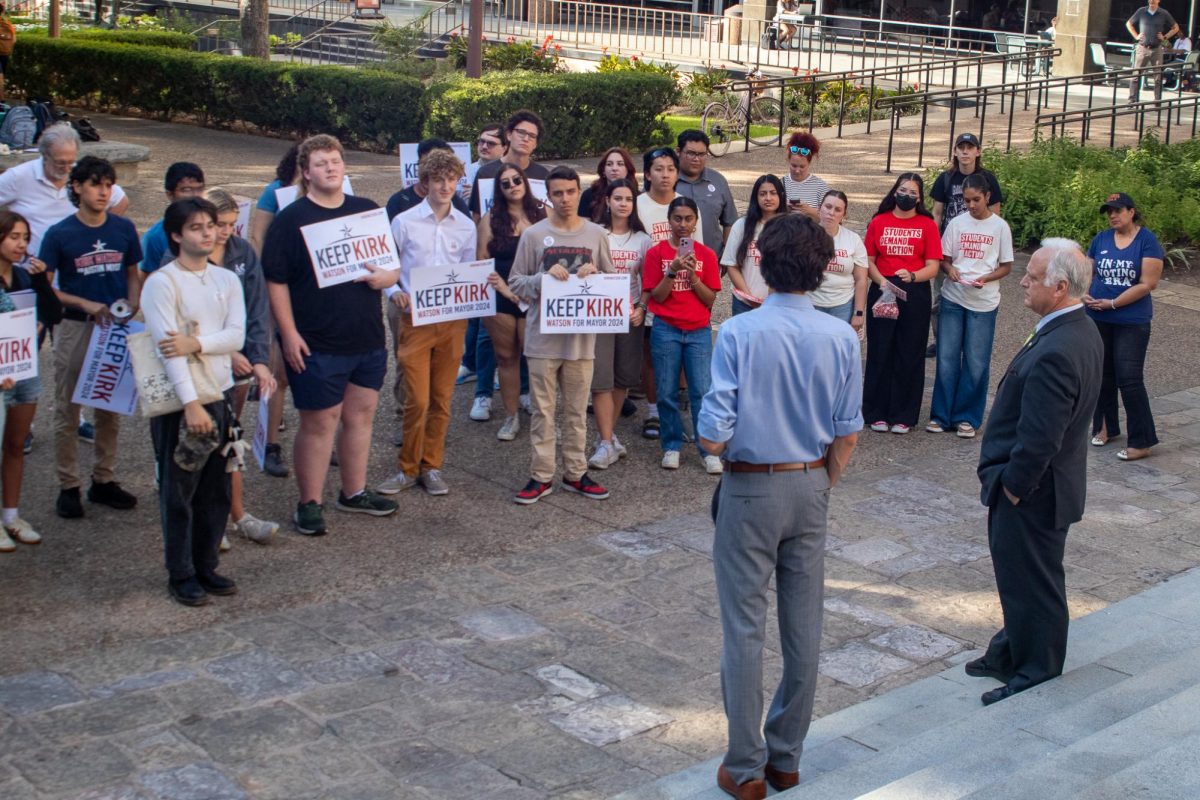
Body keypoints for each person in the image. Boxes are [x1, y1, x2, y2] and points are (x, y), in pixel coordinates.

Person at [698, 213, 862, 799]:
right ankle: (786, 757)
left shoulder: (739, 333)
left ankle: (745, 766)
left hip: (750, 485)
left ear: (761, 260)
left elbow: (714, 432)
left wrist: (712, 435)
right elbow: (848, 430)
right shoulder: (842, 337)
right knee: (804, 627)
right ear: (823, 269)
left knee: (744, 629)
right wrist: (824, 481)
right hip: (811, 482)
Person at [971, 239, 1102, 706]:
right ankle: (1009, 651)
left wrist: (1014, 488)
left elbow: (1042, 437)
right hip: (1040, 487)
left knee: (1036, 583)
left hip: (1035, 492)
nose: (1022, 281)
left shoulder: (1059, 348)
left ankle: (1037, 667)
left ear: (1061, 287)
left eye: (1033, 277)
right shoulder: (1072, 328)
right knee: (1018, 576)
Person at [262, 134, 399, 535]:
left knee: (360, 417)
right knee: (319, 423)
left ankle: (353, 492)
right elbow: (275, 280)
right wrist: (287, 333)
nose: (331, 168)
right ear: (306, 172)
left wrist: (386, 277)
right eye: (321, 163)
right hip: (317, 341)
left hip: (367, 338)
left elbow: (391, 267)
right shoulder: (292, 219)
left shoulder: (366, 211)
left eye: (336, 160)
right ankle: (309, 502)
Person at [143, 198, 246, 607]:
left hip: (219, 392)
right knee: (179, 489)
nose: (208, 233)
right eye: (197, 227)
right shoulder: (162, 283)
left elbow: (236, 335)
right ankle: (180, 572)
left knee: (215, 488)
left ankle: (206, 565)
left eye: (211, 226)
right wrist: (190, 403)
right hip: (182, 402)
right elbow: (169, 349)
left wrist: (198, 342)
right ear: (176, 235)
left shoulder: (226, 280)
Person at [40, 156, 142, 519]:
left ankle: (104, 479)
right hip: (76, 326)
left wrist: (133, 301)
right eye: (96, 184)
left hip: (113, 328)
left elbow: (133, 271)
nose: (104, 191)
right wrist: (84, 302)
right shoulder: (60, 234)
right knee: (68, 409)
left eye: (108, 184)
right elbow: (46, 288)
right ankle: (68, 485)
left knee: (110, 407)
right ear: (78, 187)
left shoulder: (124, 229)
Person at [506, 165, 614, 505]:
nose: (565, 199)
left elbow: (612, 283)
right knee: (543, 410)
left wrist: (594, 274)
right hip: (542, 340)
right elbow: (515, 283)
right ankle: (541, 475)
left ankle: (575, 472)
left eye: (570, 192)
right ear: (547, 196)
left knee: (577, 410)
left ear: (579, 191)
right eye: (558, 193)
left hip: (580, 341)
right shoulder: (534, 235)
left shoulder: (596, 234)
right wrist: (541, 278)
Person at [378, 150, 476, 497]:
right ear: (425, 183)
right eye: (438, 179)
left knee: (442, 398)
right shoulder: (404, 222)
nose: (445, 186)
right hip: (415, 320)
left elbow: (466, 273)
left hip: (451, 321)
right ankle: (407, 467)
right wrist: (393, 292)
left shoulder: (466, 225)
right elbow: (387, 266)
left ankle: (431, 466)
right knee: (416, 399)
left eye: (451, 179)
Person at [196, 188, 280, 546]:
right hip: (200, 366)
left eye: (233, 224)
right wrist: (228, 349)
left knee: (231, 437)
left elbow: (257, 308)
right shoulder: (187, 259)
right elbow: (190, 321)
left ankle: (236, 514)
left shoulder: (242, 252)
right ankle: (208, 521)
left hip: (240, 363)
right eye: (220, 224)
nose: (228, 231)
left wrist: (260, 359)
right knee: (204, 440)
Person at [642, 196, 723, 474]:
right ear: (669, 221)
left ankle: (707, 450)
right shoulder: (656, 253)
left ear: (696, 221)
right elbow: (658, 297)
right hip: (666, 329)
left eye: (688, 219)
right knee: (666, 391)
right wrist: (671, 272)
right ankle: (672, 445)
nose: (683, 225)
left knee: (702, 391)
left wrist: (694, 278)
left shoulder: (707, 255)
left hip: (698, 329)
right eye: (677, 218)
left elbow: (709, 299)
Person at [928, 174, 1013, 439]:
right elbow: (944, 258)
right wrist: (950, 269)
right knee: (947, 357)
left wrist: (987, 277)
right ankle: (941, 415)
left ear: (988, 197)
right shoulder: (956, 223)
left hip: (983, 300)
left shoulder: (1000, 227)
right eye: (966, 200)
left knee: (976, 361)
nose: (971, 205)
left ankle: (967, 416)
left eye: (976, 199)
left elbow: (1006, 266)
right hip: (954, 296)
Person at [1083, 192, 1164, 462]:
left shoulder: (1147, 241)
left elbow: (1147, 283)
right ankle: (1105, 427)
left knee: (1129, 379)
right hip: (1098, 317)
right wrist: (1083, 292)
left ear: (1132, 211)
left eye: (1118, 210)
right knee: (1101, 374)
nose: (1113, 216)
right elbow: (1088, 271)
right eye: (1109, 211)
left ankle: (1142, 440)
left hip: (1131, 321)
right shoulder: (1101, 239)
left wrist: (1114, 303)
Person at [0, 211, 62, 552]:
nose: (21, 244)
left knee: (15, 444)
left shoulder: (25, 276)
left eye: (24, 237)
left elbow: (52, 314)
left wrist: (41, 282)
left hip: (23, 373)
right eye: (13, 237)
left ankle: (11, 515)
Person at [862, 173, 943, 435]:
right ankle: (876, 412)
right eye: (902, 190)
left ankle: (904, 415)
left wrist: (913, 276)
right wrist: (881, 282)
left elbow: (933, 266)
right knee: (881, 350)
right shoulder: (879, 221)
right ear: (894, 191)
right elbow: (869, 259)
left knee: (910, 353)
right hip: (883, 288)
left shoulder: (927, 225)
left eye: (912, 192)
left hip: (914, 291)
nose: (906, 195)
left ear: (919, 197)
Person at [477, 164, 544, 442]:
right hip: (501, 297)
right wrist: (506, 290)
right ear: (499, 190)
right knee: (506, 358)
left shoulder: (542, 214)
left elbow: (555, 254)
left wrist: (532, 287)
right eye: (505, 183)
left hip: (536, 296)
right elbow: (481, 260)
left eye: (517, 179)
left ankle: (543, 416)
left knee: (539, 360)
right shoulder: (490, 219)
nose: (513, 185)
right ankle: (511, 415)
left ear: (525, 182)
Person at [588, 178, 651, 470]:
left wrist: (641, 307)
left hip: (629, 316)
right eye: (618, 198)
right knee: (601, 377)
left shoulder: (642, 239)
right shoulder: (595, 234)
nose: (623, 203)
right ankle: (606, 441)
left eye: (628, 199)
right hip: (600, 314)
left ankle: (608, 437)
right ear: (608, 201)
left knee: (622, 377)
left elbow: (647, 281)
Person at [0, 123, 129, 259]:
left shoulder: (81, 174)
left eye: (71, 162)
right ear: (45, 155)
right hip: (30, 269)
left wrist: (100, 233)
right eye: (60, 163)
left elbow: (120, 200)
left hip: (75, 268)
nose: (67, 169)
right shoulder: (18, 176)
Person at [928, 133, 1004, 356]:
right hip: (949, 247)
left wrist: (994, 248)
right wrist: (934, 244)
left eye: (970, 147)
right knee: (941, 295)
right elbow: (937, 212)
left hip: (977, 245)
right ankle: (941, 340)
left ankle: (967, 339)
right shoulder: (946, 178)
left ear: (978, 152)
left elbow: (996, 215)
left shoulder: (988, 179)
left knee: (975, 292)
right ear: (954, 151)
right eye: (961, 147)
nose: (965, 151)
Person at [247, 144, 298, 479]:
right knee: (277, 374)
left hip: (315, 294)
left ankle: (323, 440)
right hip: (280, 289)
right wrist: (268, 283)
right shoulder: (274, 192)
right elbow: (256, 236)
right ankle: (271, 444)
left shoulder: (336, 193)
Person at [469, 110, 551, 220]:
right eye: (521, 132)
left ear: (535, 144)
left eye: (532, 136)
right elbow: (477, 218)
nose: (526, 139)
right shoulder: (485, 173)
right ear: (509, 135)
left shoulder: (543, 175)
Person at [721, 174, 785, 315]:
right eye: (763, 194)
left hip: (779, 304)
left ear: (781, 195)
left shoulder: (789, 228)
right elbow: (731, 265)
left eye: (773, 193)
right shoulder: (741, 225)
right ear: (756, 197)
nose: (768, 198)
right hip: (744, 303)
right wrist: (749, 298)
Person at [812, 189, 869, 329]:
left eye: (838, 210)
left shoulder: (853, 239)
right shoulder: (805, 236)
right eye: (828, 207)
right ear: (820, 208)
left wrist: (859, 313)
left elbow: (861, 279)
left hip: (843, 306)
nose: (831, 213)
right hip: (810, 304)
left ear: (844, 214)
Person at [674, 130, 738, 253]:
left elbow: (730, 221)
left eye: (702, 154)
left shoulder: (718, 181)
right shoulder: (667, 180)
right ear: (678, 152)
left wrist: (727, 253)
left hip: (712, 258)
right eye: (691, 153)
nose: (696, 159)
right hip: (673, 259)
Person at [140, 162, 206, 274]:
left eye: (199, 189)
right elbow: (147, 279)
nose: (195, 195)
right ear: (170, 194)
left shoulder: (212, 229)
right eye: (186, 190)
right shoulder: (155, 237)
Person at [1127, 0, 1180, 102]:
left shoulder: (1163, 13)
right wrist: (1136, 36)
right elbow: (1129, 24)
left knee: (1158, 77)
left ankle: (1157, 101)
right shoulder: (1141, 11)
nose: (1152, 1)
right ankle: (1132, 100)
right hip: (1142, 48)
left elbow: (1175, 28)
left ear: (1158, 1)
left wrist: (1165, 37)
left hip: (1157, 49)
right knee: (1135, 75)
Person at [579, 147, 637, 223]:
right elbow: (583, 228)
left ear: (628, 169)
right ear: (603, 170)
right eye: (609, 164)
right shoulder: (589, 195)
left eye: (620, 164)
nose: (614, 168)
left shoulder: (637, 196)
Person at [782, 131, 828, 223]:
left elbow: (829, 217)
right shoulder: (780, 183)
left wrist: (808, 210)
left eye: (802, 166)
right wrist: (783, 208)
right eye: (794, 166)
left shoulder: (820, 186)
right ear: (788, 161)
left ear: (809, 163)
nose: (797, 170)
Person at [0, 4, 14, 103]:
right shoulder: (7, 23)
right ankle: (2, 100)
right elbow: (14, 40)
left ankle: (1, 99)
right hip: (5, 53)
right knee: (1, 76)